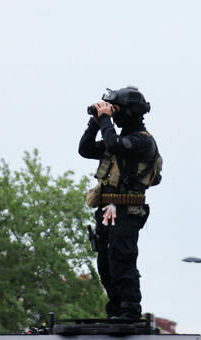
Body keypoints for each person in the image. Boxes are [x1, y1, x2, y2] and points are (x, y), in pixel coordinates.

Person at [78, 86, 162, 320]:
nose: (113, 114)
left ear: (129, 112)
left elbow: (114, 144)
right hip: (106, 210)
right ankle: (115, 306)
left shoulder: (142, 142)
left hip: (127, 210)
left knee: (122, 258)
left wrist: (105, 120)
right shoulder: (116, 138)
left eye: (116, 109)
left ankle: (130, 308)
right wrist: (95, 123)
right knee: (105, 262)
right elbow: (84, 150)